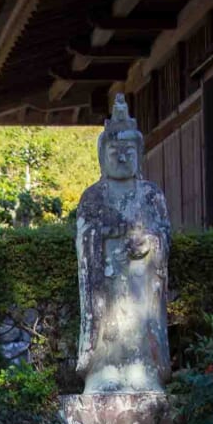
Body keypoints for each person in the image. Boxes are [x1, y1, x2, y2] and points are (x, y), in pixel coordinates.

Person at [76, 94, 171, 394]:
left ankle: (143, 371)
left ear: (139, 155)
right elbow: (84, 237)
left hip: (140, 283)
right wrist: (104, 234)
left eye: (128, 150)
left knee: (140, 329)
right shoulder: (93, 197)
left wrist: (150, 243)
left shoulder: (151, 195)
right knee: (108, 329)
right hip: (106, 283)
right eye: (115, 150)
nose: (121, 157)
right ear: (102, 156)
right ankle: (104, 372)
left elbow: (164, 234)